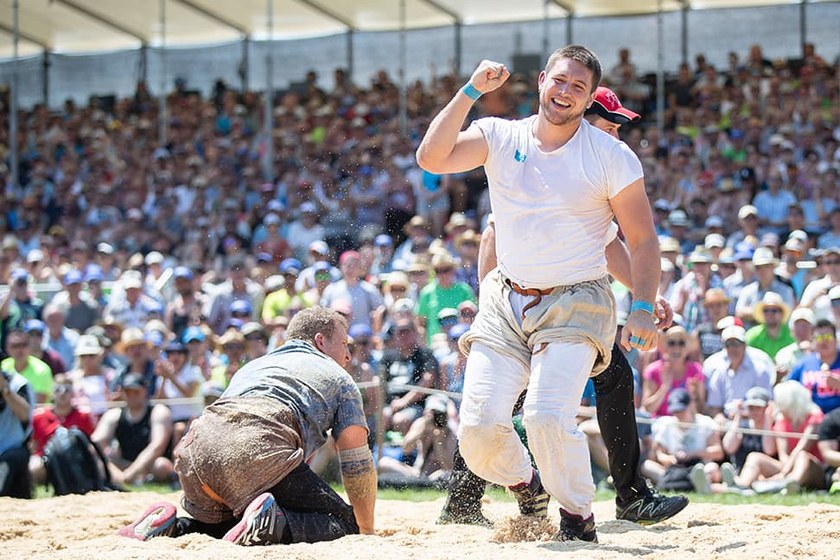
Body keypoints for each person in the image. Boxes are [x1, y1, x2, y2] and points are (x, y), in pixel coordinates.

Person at [416, 46, 663, 542]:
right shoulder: (499, 133)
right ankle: (528, 486)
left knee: (547, 416)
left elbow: (638, 239)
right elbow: (432, 157)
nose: (566, 92)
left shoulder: (611, 155)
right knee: (480, 430)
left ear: (589, 97)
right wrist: (470, 92)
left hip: (577, 300)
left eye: (579, 87)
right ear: (542, 81)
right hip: (507, 302)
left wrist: (641, 305)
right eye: (560, 81)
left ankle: (577, 517)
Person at [118, 307, 376, 546]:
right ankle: (273, 522)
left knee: (236, 523)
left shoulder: (254, 366)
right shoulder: (339, 377)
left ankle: (175, 529)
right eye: (344, 344)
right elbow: (357, 463)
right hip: (257, 448)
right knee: (343, 523)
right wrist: (365, 530)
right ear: (320, 341)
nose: (348, 355)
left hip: (196, 455)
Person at [92, 372, 175, 486]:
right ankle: (120, 480)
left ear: (145, 391)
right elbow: (96, 443)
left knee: (161, 466)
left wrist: (131, 473)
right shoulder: (114, 415)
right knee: (99, 461)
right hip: (124, 465)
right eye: (128, 392)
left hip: (150, 466)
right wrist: (123, 475)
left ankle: (127, 480)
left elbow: (157, 446)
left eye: (136, 392)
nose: (132, 396)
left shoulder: (158, 411)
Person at [0, 364, 34, 498]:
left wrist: (5, 389)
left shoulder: (18, 383)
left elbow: (25, 415)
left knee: (11, 460)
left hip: (13, 451)